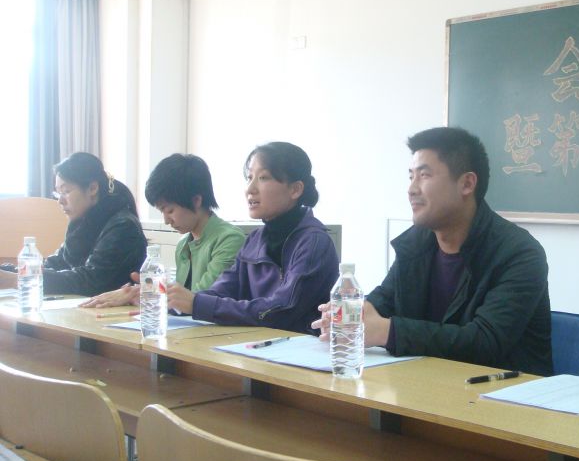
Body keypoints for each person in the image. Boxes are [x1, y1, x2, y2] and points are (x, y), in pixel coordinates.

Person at [313, 126, 552, 375]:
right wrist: (357, 313)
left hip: (500, 392)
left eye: (424, 175)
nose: (411, 189)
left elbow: (485, 342)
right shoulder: (416, 243)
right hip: (425, 384)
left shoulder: (519, 253)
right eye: (411, 177)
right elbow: (385, 300)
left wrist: (386, 331)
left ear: (467, 184)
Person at [165, 142, 339, 333]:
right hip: (255, 343)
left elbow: (281, 310)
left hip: (299, 347)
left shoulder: (314, 242)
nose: (250, 189)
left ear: (295, 189)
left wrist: (197, 304)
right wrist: (175, 301)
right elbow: (223, 290)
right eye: (249, 178)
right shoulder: (255, 239)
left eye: (263, 177)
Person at [81, 154, 245, 308]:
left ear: (196, 201)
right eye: (162, 212)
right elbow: (180, 303)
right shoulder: (184, 244)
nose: (166, 220)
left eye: (170, 210)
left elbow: (200, 300)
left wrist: (145, 293)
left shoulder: (229, 239)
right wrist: (141, 293)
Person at [0, 152, 147, 296]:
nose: (60, 200)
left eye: (66, 191)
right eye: (58, 193)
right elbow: (56, 263)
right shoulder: (82, 222)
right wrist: (10, 271)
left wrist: (18, 279)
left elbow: (91, 280)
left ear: (92, 188)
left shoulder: (123, 226)